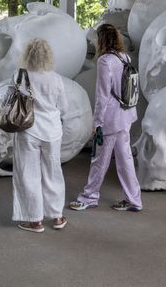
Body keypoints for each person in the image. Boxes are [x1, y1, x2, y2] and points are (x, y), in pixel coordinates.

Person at [69, 24, 142, 212]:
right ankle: (134, 199)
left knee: (99, 160)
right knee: (125, 160)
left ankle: (89, 197)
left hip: (109, 120)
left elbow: (102, 96)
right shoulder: (124, 57)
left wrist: (97, 123)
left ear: (102, 40)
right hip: (125, 116)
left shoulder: (104, 61)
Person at [11, 38, 69, 233]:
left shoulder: (20, 75)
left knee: (29, 174)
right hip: (52, 132)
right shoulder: (56, 78)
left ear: (27, 54)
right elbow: (64, 108)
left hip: (28, 130)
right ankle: (58, 216)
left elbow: (8, 101)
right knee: (53, 172)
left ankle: (35, 220)